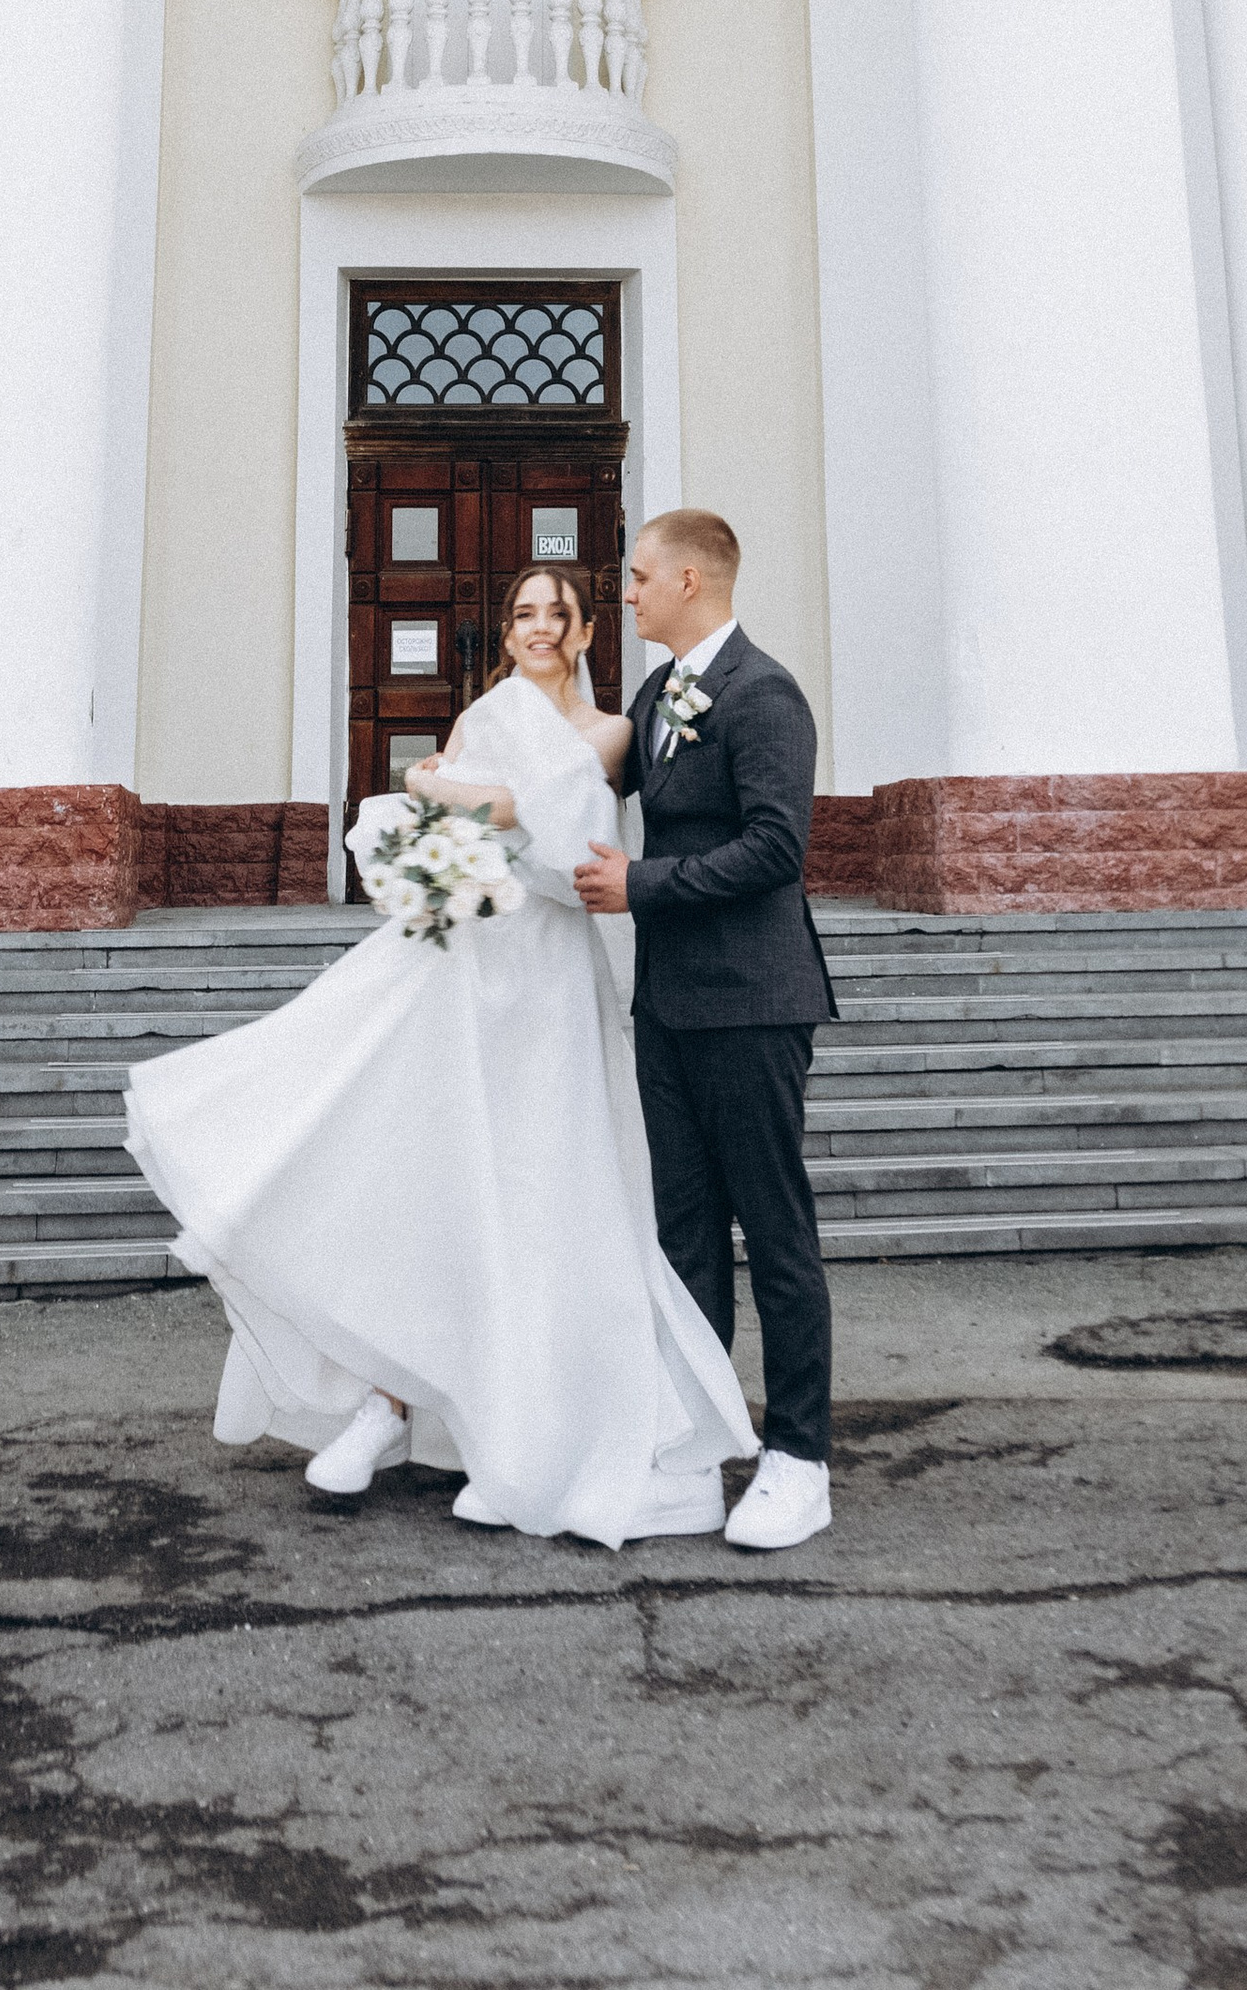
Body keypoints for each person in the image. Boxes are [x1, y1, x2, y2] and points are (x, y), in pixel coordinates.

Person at [122, 563, 756, 1547]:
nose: (537, 627)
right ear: (504, 629)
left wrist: (444, 787)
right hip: (462, 969)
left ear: (586, 630)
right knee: (428, 1175)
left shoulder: (608, 733)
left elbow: (547, 833)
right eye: (522, 613)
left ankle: (513, 1427)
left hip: (549, 981)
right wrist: (431, 814)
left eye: (558, 613)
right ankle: (387, 1401)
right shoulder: (480, 715)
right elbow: (429, 830)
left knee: (540, 1193)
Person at [573, 509, 840, 1554]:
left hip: (756, 1002)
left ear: (689, 578)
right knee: (683, 1235)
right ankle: (696, 1444)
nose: (625, 592)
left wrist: (638, 884)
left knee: (773, 1233)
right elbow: (585, 772)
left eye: (637, 576)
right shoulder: (659, 689)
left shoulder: (764, 694)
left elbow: (778, 847)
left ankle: (799, 1457)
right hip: (671, 1005)